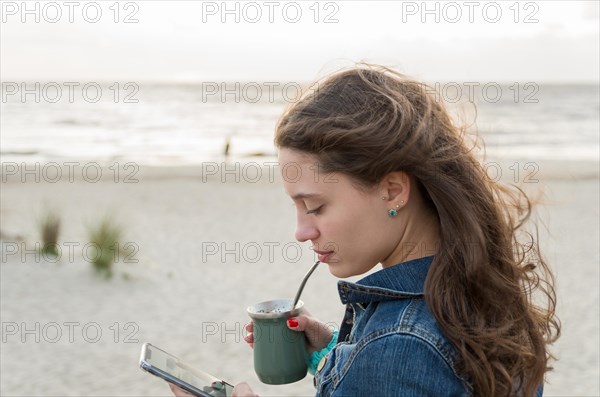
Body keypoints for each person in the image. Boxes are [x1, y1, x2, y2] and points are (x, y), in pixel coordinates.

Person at [172, 64, 560, 397]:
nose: (301, 231)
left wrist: (370, 360)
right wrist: (335, 356)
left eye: (315, 207)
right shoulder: (474, 291)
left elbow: (402, 364)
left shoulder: (398, 348)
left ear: (392, 190)